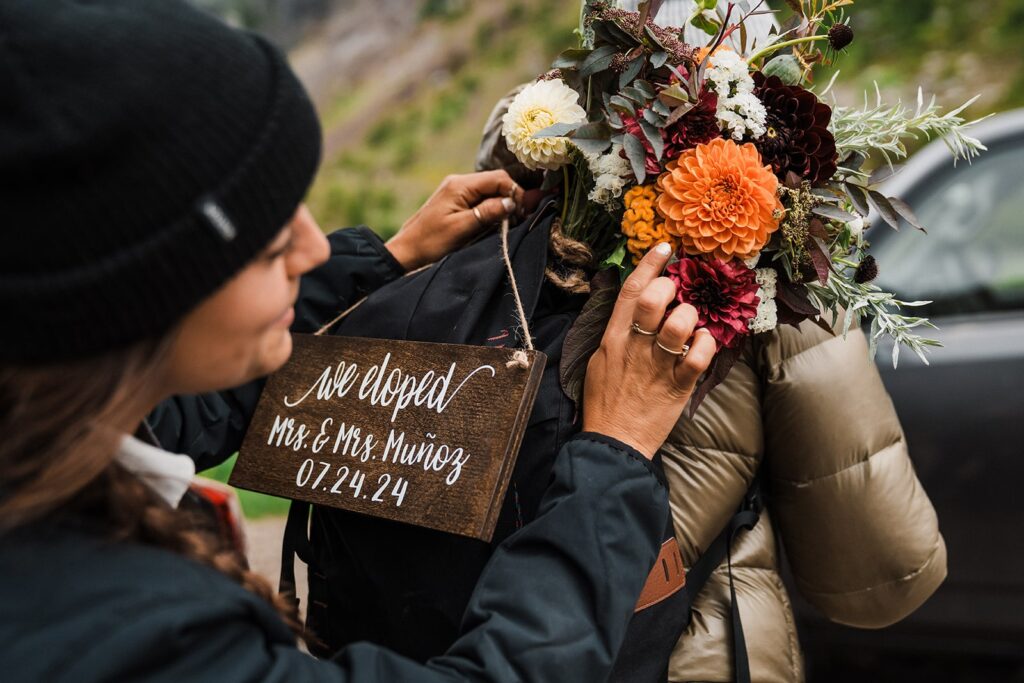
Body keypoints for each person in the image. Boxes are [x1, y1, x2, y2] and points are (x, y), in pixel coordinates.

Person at [0, 2, 719, 682]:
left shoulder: (44, 435)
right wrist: (612, 457)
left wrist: (385, 260)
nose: (313, 249)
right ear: (133, 294)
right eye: (269, 238)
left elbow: (178, 415)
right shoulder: (145, 638)